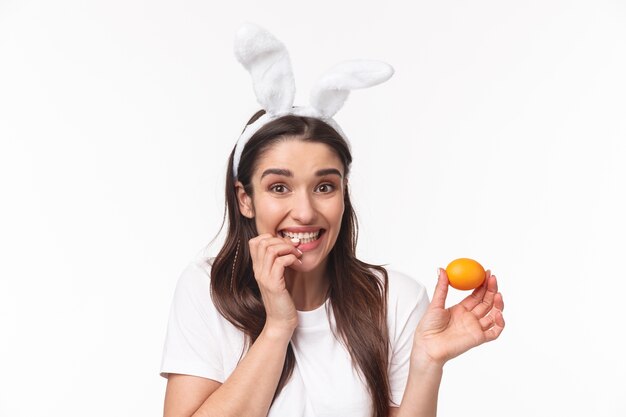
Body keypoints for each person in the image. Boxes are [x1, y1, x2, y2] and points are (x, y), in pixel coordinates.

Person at [159, 23, 505, 417]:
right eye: (279, 188)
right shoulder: (207, 290)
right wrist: (277, 325)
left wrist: (427, 363)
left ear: (343, 193)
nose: (305, 212)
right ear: (245, 199)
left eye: (324, 187)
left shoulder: (396, 300)